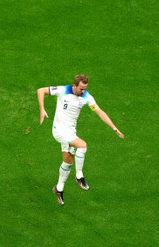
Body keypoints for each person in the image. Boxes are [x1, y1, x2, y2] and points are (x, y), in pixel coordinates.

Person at [37, 75, 125, 206]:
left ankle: (58, 189)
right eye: (81, 89)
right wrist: (42, 109)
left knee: (68, 162)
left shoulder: (86, 97)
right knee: (82, 146)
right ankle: (79, 176)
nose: (83, 91)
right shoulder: (63, 90)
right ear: (75, 85)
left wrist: (114, 127)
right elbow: (41, 90)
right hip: (59, 131)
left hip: (71, 132)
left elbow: (100, 112)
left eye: (85, 89)